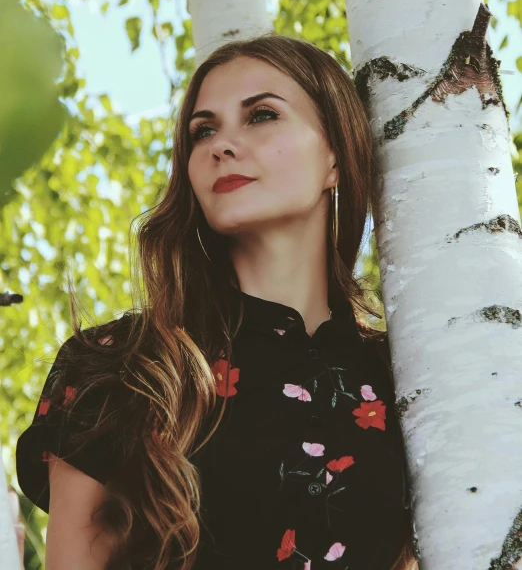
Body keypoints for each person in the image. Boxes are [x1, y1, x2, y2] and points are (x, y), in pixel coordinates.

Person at [15, 34, 417, 570]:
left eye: (261, 116)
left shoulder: (408, 375)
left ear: (335, 156)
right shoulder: (121, 364)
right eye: (203, 130)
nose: (220, 145)